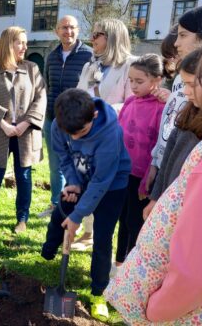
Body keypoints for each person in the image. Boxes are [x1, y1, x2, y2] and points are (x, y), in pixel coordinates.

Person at [105, 38, 202, 324]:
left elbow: (195, 271)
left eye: (196, 84)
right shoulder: (188, 111)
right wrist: (159, 195)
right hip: (165, 200)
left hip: (175, 305)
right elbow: (167, 151)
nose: (187, 92)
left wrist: (156, 311)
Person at [40, 88, 131, 321]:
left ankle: (99, 291)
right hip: (80, 178)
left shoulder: (110, 134)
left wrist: (79, 215)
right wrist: (72, 182)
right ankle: (49, 251)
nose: (76, 138)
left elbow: (101, 181)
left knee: (102, 237)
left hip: (112, 186)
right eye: (70, 133)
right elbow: (63, 156)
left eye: (81, 132)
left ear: (93, 117)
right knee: (61, 214)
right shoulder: (61, 124)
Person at [73, 18, 136, 250]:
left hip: (112, 139)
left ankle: (101, 240)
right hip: (86, 138)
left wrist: (99, 113)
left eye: (97, 34)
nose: (92, 39)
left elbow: (133, 105)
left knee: (105, 189)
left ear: (111, 38)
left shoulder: (130, 65)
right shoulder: (91, 65)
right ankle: (87, 232)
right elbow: (80, 93)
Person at [0, 26, 46, 233]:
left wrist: (25, 123)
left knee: (24, 176)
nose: (25, 47)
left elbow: (41, 97)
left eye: (25, 42)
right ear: (9, 44)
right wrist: (4, 124)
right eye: (21, 42)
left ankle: (22, 219)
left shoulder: (32, 68)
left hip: (25, 133)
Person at [147, 4, 202, 192]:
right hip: (167, 182)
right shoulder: (182, 79)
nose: (176, 43)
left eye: (183, 35)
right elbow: (172, 137)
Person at [143, 47, 202, 220]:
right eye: (184, 84)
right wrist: (156, 197)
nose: (185, 91)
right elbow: (168, 158)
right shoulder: (189, 112)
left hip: (192, 212)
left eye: (191, 84)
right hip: (169, 203)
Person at [114, 54, 165, 267]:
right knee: (122, 219)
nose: (133, 86)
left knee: (136, 222)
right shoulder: (129, 102)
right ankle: (118, 263)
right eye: (131, 80)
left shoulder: (161, 108)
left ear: (157, 80)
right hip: (123, 172)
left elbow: (158, 146)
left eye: (139, 81)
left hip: (143, 177)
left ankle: (132, 267)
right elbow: (118, 132)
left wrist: (147, 179)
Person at [40, 15, 93, 218]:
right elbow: (48, 85)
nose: (67, 31)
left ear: (78, 30)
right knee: (56, 166)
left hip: (78, 123)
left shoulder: (88, 55)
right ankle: (57, 205)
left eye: (71, 27)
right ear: (56, 31)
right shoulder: (51, 56)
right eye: (63, 28)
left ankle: (80, 208)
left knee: (80, 166)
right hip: (53, 120)